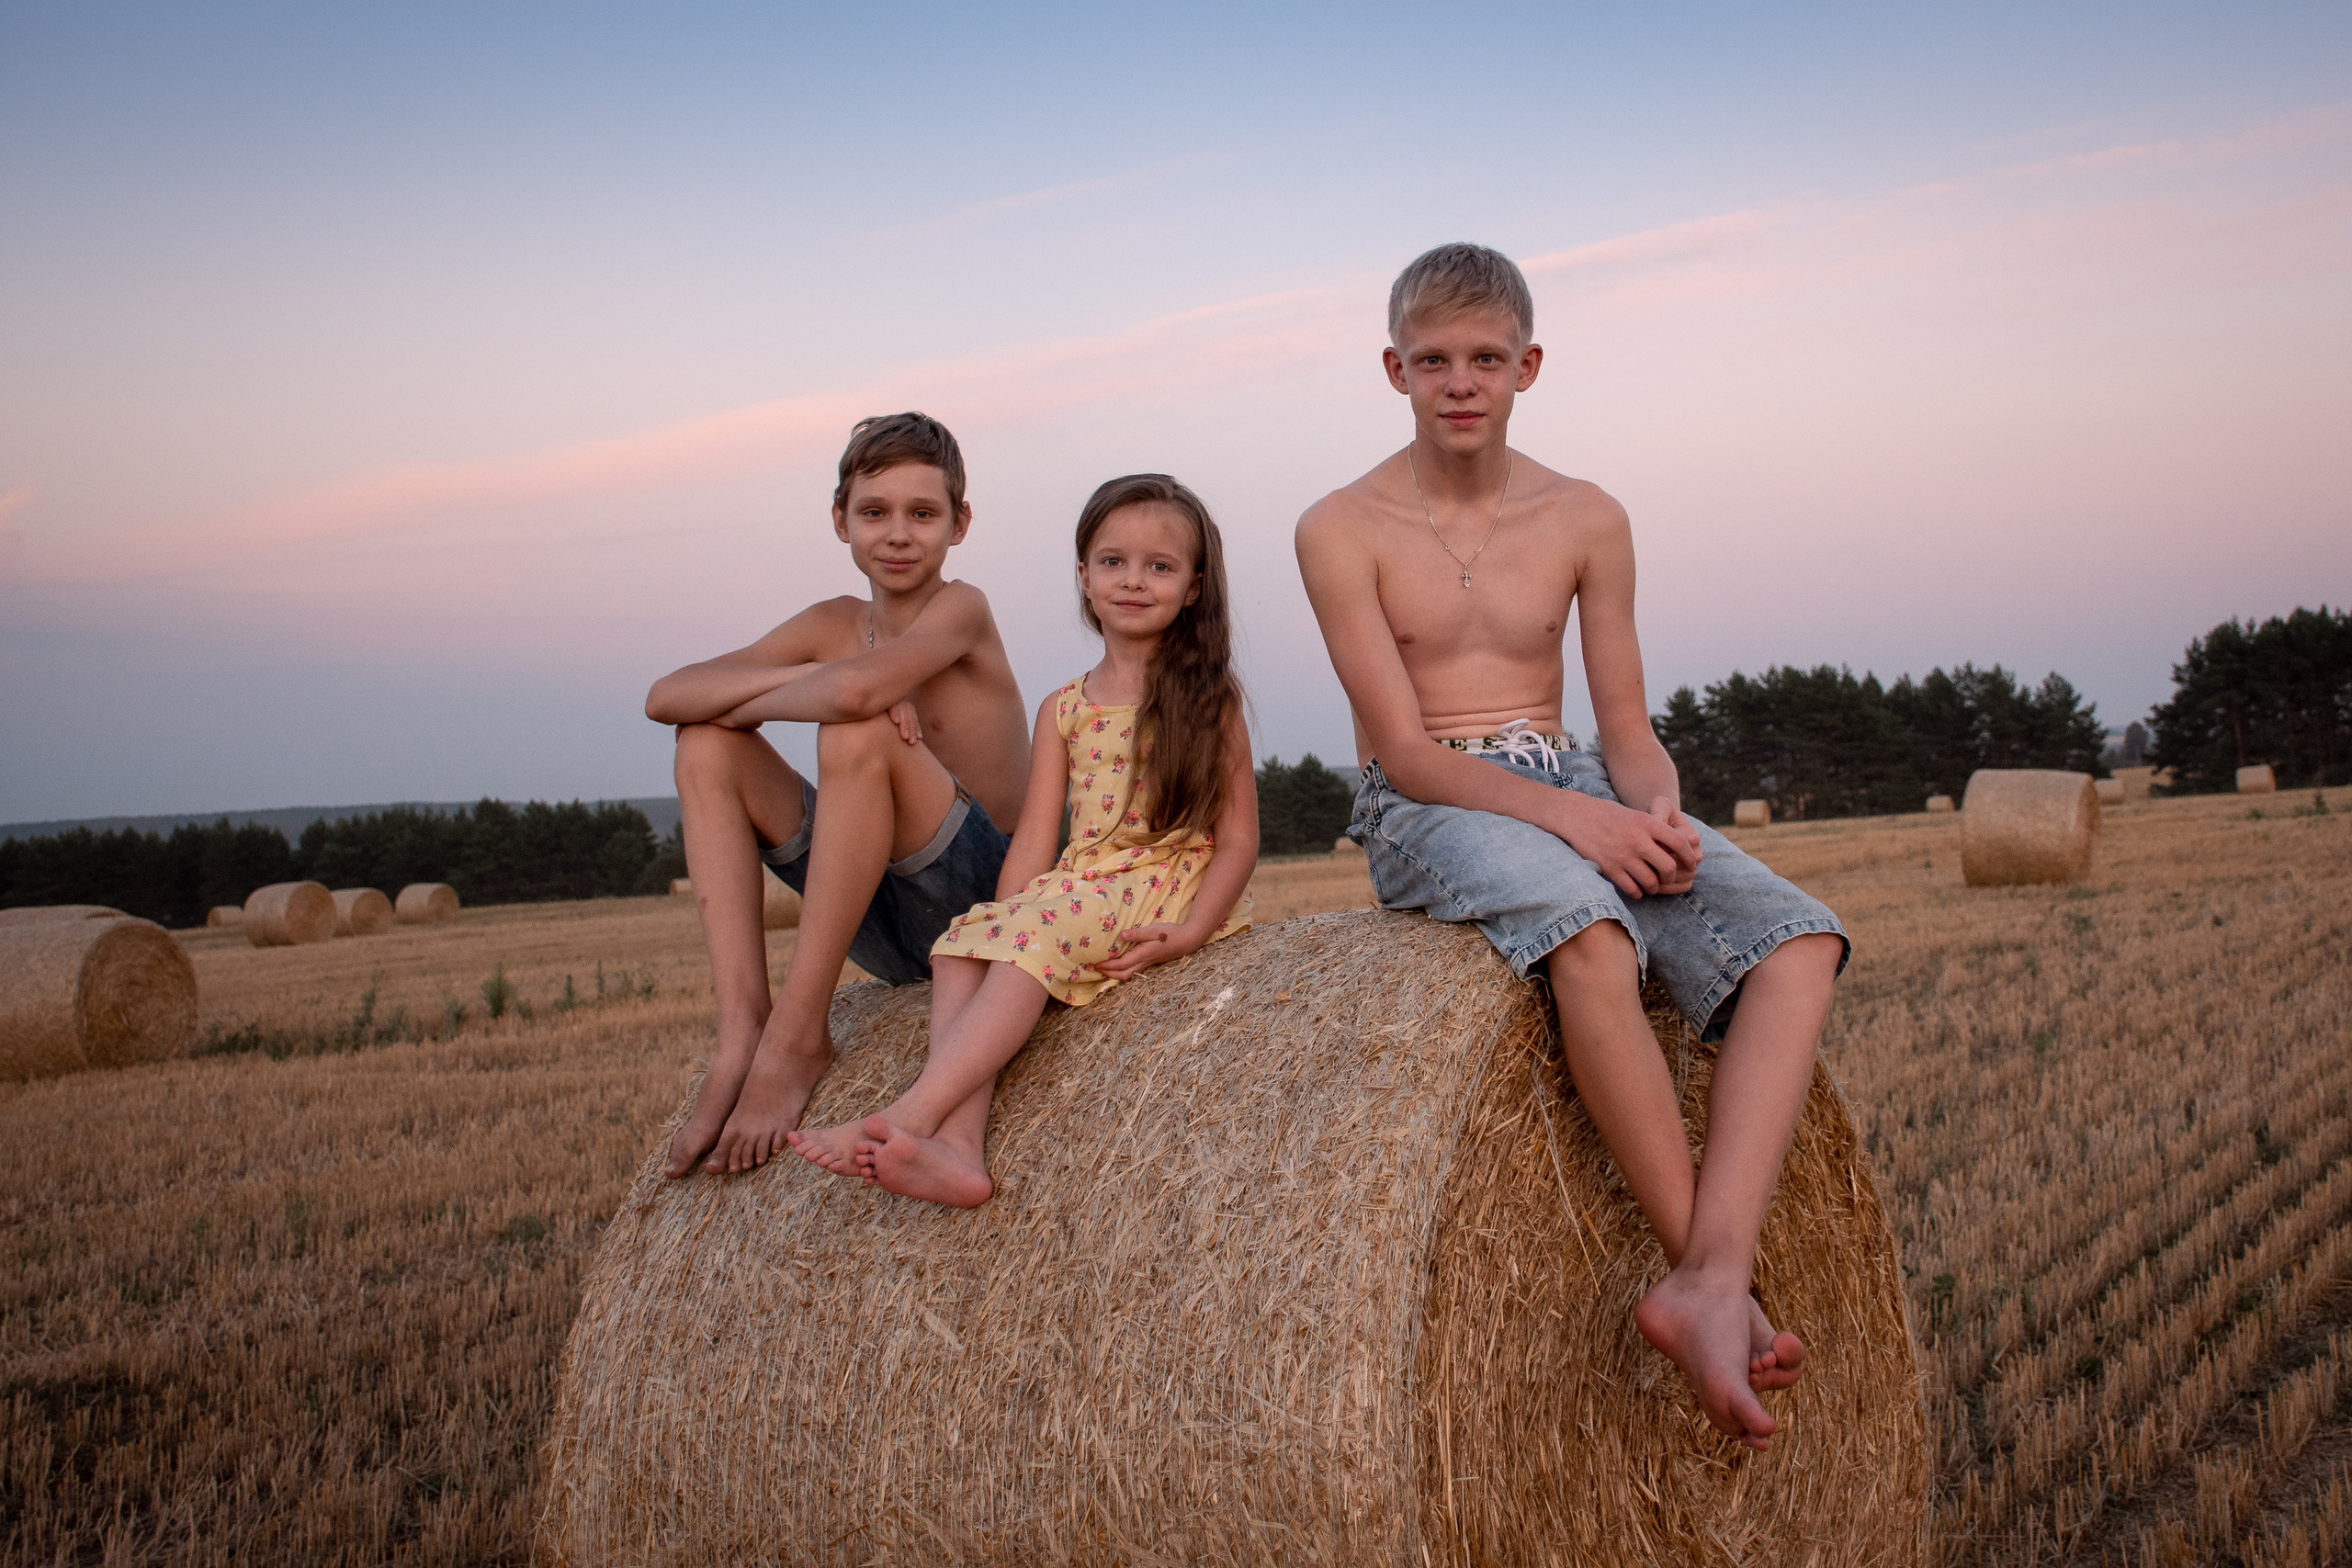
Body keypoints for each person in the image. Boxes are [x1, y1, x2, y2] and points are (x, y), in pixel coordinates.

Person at [1295, 243, 1849, 1451]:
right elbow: (1402, 749)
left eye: (1485, 358)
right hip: (1430, 801)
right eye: (1432, 360)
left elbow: (1630, 728)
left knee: (1800, 943)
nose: (1460, 382)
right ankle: (1706, 1279)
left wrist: (1648, 808)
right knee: (1593, 937)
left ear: (1528, 365)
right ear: (1393, 368)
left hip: (1578, 777)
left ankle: (1711, 1270)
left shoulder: (1587, 514)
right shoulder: (1340, 526)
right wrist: (1583, 826)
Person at [788, 473, 1258, 1207]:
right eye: (1113, 562)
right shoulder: (1062, 707)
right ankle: (958, 1150)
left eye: (1159, 567)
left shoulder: (1209, 699)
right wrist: (998, 924)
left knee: (1022, 948)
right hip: (1083, 883)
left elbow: (1238, 839)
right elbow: (1037, 835)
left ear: (1194, 588)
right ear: (1083, 576)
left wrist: (1194, 929)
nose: (1133, 580)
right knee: (959, 946)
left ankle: (907, 1114)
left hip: (1162, 882)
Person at [644, 412, 1031, 1179]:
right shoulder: (831, 624)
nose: (897, 534)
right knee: (705, 743)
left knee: (857, 730)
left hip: (983, 912)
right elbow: (668, 695)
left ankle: (797, 1034)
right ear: (839, 520)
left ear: (960, 524)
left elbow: (855, 692)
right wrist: (806, 679)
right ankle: (742, 1032)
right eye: (874, 512)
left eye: (923, 514)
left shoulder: (963, 609)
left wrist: (844, 686)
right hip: (877, 918)